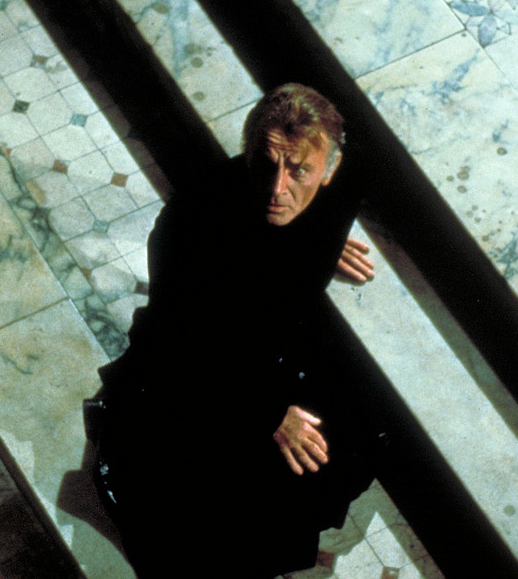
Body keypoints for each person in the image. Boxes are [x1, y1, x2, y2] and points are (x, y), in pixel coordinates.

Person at [92, 83, 379, 578]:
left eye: (299, 172)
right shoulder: (189, 224)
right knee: (227, 511)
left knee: (358, 433)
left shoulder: (342, 186)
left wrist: (325, 242)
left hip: (275, 346)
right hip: (199, 377)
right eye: (266, 165)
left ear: (329, 170)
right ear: (249, 155)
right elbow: (183, 346)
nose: (277, 188)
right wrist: (269, 413)